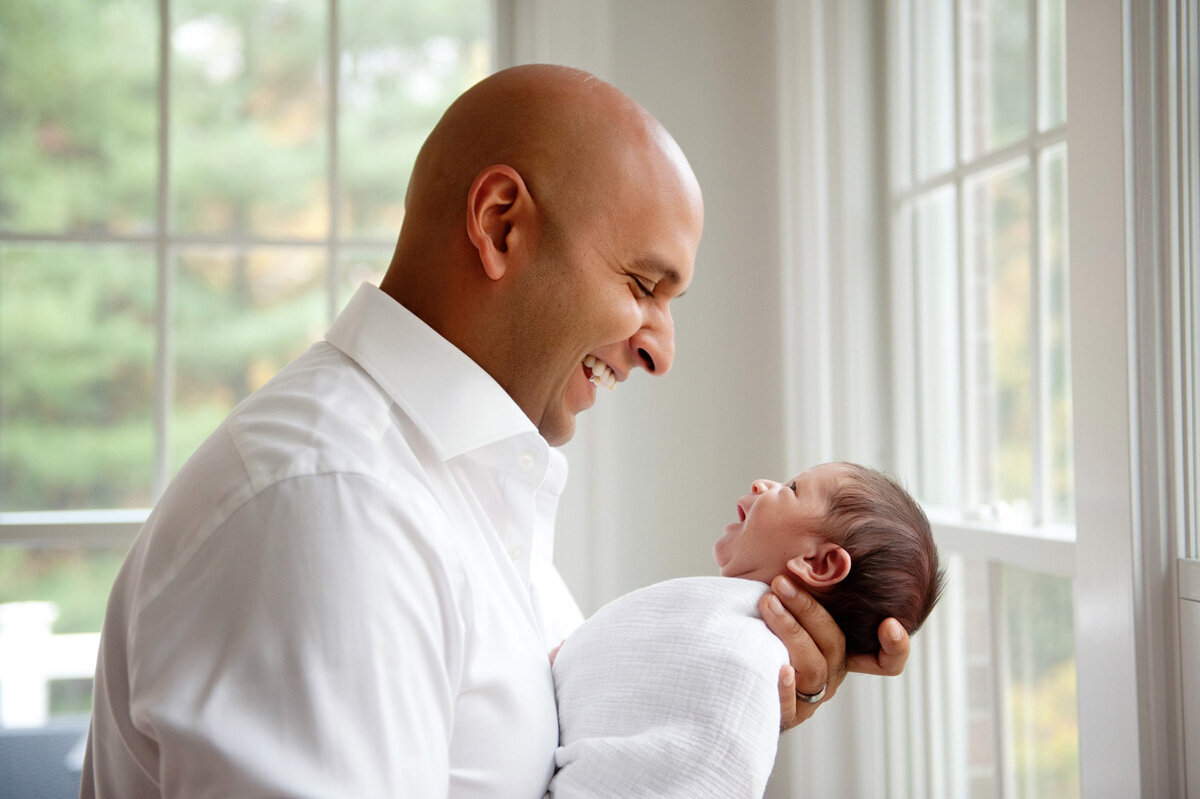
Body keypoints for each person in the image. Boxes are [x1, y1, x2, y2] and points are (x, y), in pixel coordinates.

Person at [80, 65, 911, 798]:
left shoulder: (466, 483)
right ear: (501, 222)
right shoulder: (333, 507)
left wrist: (724, 702)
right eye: (642, 283)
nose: (659, 349)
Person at [549, 462, 944, 799]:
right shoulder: (717, 616)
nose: (762, 484)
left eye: (791, 489)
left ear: (818, 563)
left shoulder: (743, 652)